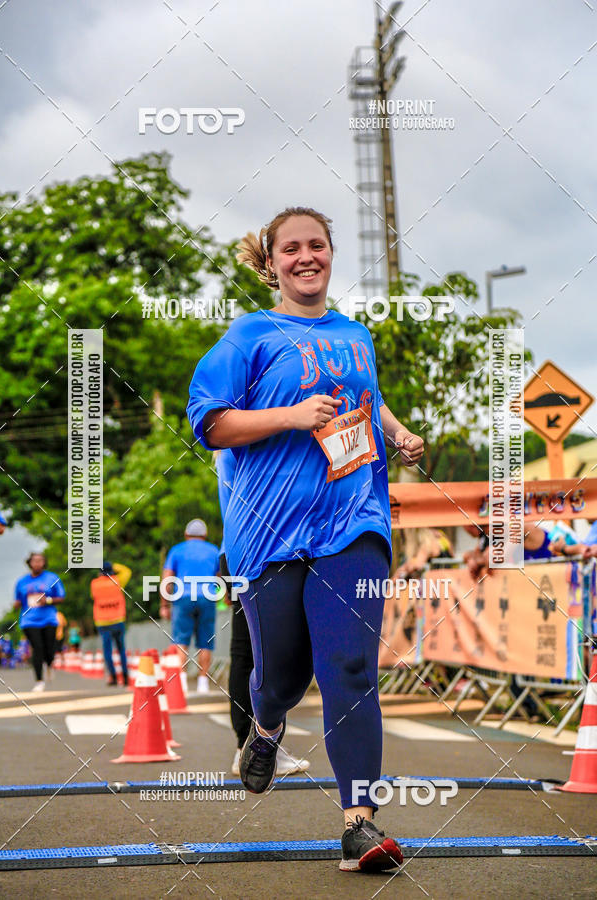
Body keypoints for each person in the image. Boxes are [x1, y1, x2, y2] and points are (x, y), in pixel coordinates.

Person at [187, 207, 424, 873]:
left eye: (316, 245)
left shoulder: (355, 335)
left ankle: (359, 825)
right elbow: (210, 422)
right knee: (282, 678)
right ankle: (264, 727)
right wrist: (290, 415)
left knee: (350, 667)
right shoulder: (249, 335)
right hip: (268, 530)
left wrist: (397, 433)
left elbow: (366, 399)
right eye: (291, 248)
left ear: (330, 253)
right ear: (274, 263)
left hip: (353, 518)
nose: (306, 256)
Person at [215, 448, 311, 778]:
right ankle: (253, 745)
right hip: (261, 552)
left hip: (237, 550)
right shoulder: (241, 443)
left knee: (248, 652)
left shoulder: (230, 445)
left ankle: (250, 743)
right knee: (257, 654)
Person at [160, 519, 220, 694]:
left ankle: (182, 681)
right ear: (205, 535)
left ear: (186, 535)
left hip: (182, 598)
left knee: (181, 641)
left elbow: (167, 578)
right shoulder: (214, 550)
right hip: (207, 597)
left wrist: (165, 604)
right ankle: (203, 682)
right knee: (206, 642)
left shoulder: (176, 550)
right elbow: (220, 577)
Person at [13, 552, 65, 691]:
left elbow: (61, 597)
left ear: (44, 562)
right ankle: (39, 681)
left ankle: (49, 664)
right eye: (34, 561)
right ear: (29, 563)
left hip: (48, 618)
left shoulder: (52, 578)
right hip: (29, 620)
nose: (37, 563)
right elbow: (18, 600)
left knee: (49, 649)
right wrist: (16, 604)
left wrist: (47, 600)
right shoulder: (21, 582)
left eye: (40, 560)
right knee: (37, 648)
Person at [90, 561, 132, 686]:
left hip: (102, 621)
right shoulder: (117, 581)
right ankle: (125, 677)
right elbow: (127, 571)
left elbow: (93, 597)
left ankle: (113, 677)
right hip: (118, 620)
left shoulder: (94, 583)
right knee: (121, 650)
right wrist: (115, 566)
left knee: (107, 651)